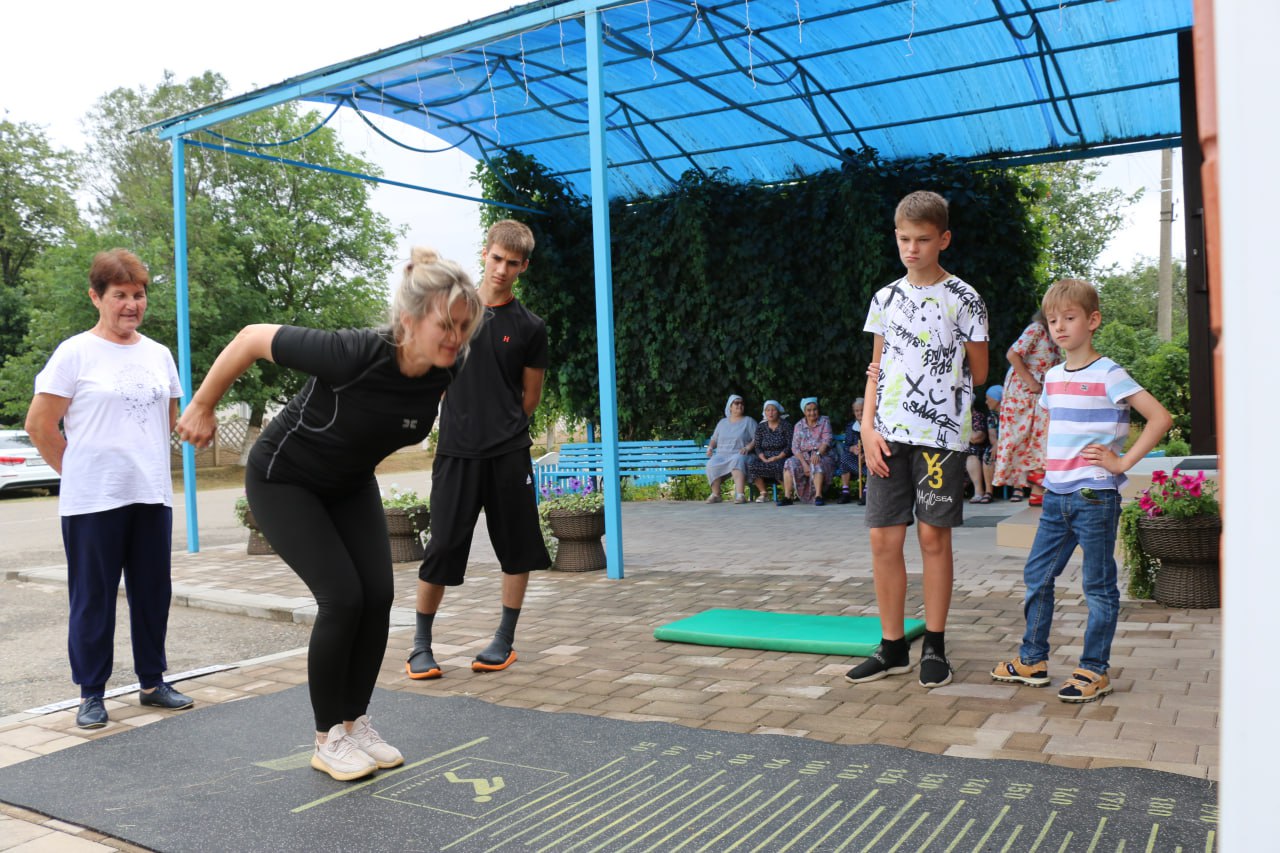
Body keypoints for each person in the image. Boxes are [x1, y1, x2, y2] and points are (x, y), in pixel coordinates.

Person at [176, 246, 484, 781]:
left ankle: (355, 723)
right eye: (446, 325)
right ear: (409, 321)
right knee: (342, 598)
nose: (456, 338)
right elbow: (250, 338)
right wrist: (202, 405)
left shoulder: (446, 369)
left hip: (348, 483)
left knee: (378, 597)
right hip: (284, 480)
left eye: (464, 326)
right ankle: (327, 740)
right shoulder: (352, 353)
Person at [26, 249, 194, 731]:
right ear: (95, 297)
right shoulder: (74, 353)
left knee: (152, 593)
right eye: (119, 295)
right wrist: (77, 470)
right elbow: (40, 425)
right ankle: (91, 693)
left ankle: (152, 683)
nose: (131, 305)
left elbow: (165, 423)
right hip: (93, 500)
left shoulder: (159, 354)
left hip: (150, 495)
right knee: (93, 597)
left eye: (138, 295)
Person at [991, 278, 1171, 703]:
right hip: (1056, 497)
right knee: (1037, 576)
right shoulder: (1052, 378)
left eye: (1069, 318)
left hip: (1094, 497)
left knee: (1098, 585)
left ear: (1092, 321)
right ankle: (1032, 660)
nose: (1059, 327)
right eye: (1053, 320)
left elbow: (1160, 418)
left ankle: (1093, 670)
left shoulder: (1109, 374)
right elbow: (1057, 429)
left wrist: (1122, 463)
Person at [846, 190, 989, 689]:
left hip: (940, 437)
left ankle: (935, 646)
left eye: (923, 240)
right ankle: (891, 648)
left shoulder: (965, 298)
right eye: (904, 239)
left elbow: (979, 372)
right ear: (896, 236)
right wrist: (867, 428)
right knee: (883, 538)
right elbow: (876, 367)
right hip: (886, 435)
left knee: (932, 537)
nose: (912, 249)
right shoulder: (884, 298)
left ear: (943, 239)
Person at [407, 220, 551, 685]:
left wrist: (499, 425)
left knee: (516, 548)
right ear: (485, 254)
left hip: (508, 454)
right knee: (443, 547)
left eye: (513, 263)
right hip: (456, 453)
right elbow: (432, 373)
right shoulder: (454, 313)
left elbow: (530, 397)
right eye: (497, 259)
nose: (502, 269)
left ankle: (503, 640)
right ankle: (420, 646)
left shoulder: (531, 327)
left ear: (524, 267)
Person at [992, 310, 1062, 506]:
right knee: (1028, 437)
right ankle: (1036, 482)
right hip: (1024, 393)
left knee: (1041, 438)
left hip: (1040, 393)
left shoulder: (1053, 334)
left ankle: (1037, 491)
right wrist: (1031, 381)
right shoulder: (1037, 329)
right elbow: (1012, 354)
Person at [779, 397, 837, 506]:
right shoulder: (799, 425)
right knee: (789, 463)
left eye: (814, 409)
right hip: (803, 457)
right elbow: (795, 447)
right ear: (804, 412)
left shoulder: (824, 421)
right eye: (809, 410)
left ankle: (818, 496)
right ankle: (787, 497)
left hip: (823, 455)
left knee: (816, 462)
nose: (812, 413)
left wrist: (818, 453)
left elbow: (827, 440)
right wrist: (804, 463)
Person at [704, 394, 756, 504]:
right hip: (722, 455)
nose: (740, 405)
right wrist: (710, 447)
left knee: (737, 459)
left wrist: (748, 447)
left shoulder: (748, 421)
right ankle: (716, 494)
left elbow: (757, 438)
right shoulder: (722, 422)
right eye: (736, 403)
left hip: (740, 454)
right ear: (730, 407)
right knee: (711, 463)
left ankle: (740, 495)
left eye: (742, 403)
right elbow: (714, 439)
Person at [747, 400, 792, 502]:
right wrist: (763, 458)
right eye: (768, 410)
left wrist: (777, 457)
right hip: (765, 457)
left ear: (778, 411)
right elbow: (757, 446)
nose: (770, 413)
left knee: (778, 466)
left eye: (773, 410)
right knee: (752, 465)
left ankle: (788, 494)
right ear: (765, 412)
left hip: (782, 456)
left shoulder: (786, 426)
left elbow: (790, 446)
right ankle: (763, 493)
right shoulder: (761, 427)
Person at [837, 397, 868, 505]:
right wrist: (853, 449)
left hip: (869, 459)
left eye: (862, 410)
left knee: (873, 460)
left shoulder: (874, 424)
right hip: (856, 460)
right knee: (844, 457)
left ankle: (867, 492)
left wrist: (866, 455)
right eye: (857, 411)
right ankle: (845, 492)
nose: (860, 413)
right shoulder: (851, 427)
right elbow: (846, 446)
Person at [965, 396, 992, 503]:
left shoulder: (977, 416)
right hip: (958, 450)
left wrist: (962, 426)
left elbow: (976, 438)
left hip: (975, 451)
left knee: (971, 453)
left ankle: (979, 491)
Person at [982, 385, 1003, 499]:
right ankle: (988, 491)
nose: (986, 402)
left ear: (997, 399)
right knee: (988, 454)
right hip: (998, 445)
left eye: (988, 398)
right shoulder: (991, 416)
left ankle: (1018, 489)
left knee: (1015, 452)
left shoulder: (1010, 412)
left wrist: (1001, 444)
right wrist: (996, 445)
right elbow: (992, 435)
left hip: (1011, 444)